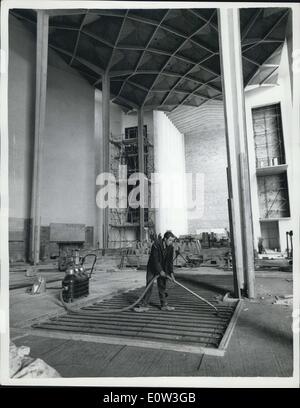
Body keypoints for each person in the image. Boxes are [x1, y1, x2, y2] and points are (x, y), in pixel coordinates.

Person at [134, 230, 176, 312]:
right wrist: (160, 271)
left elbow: (170, 261)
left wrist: (171, 273)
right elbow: (155, 260)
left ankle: (164, 305)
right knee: (149, 285)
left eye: (172, 241)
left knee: (162, 286)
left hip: (163, 268)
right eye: (170, 240)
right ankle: (144, 305)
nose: (171, 242)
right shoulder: (156, 245)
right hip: (152, 268)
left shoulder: (171, 247)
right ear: (165, 239)